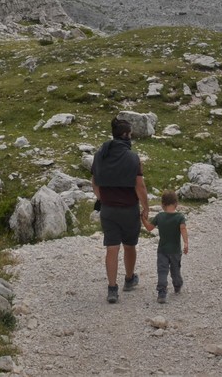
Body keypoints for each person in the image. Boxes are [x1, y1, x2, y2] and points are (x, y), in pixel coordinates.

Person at [91, 117, 151, 304]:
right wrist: (146, 207)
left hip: (108, 210)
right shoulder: (133, 158)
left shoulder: (100, 154)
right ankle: (129, 279)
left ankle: (112, 289)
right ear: (125, 135)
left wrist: (102, 199)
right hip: (128, 209)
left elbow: (94, 182)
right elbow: (139, 186)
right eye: (131, 135)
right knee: (129, 245)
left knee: (112, 247)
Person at [144, 189, 189, 303]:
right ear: (176, 203)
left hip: (162, 250)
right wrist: (186, 243)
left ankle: (162, 293)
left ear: (162, 204)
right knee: (175, 270)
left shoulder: (159, 216)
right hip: (175, 251)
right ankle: (177, 285)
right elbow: (183, 228)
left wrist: (142, 219)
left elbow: (149, 228)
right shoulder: (180, 217)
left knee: (162, 271)